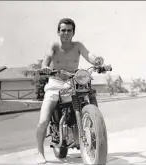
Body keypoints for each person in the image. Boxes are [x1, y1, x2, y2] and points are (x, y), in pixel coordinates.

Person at [35, 18, 109, 164]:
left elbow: (89, 55)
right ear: (58, 32)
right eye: (63, 30)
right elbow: (47, 58)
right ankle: (39, 152)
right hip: (55, 82)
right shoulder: (54, 45)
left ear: (73, 32)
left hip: (73, 80)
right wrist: (45, 67)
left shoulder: (78, 45)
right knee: (43, 121)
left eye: (69, 30)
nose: (66, 33)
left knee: (88, 94)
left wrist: (98, 63)